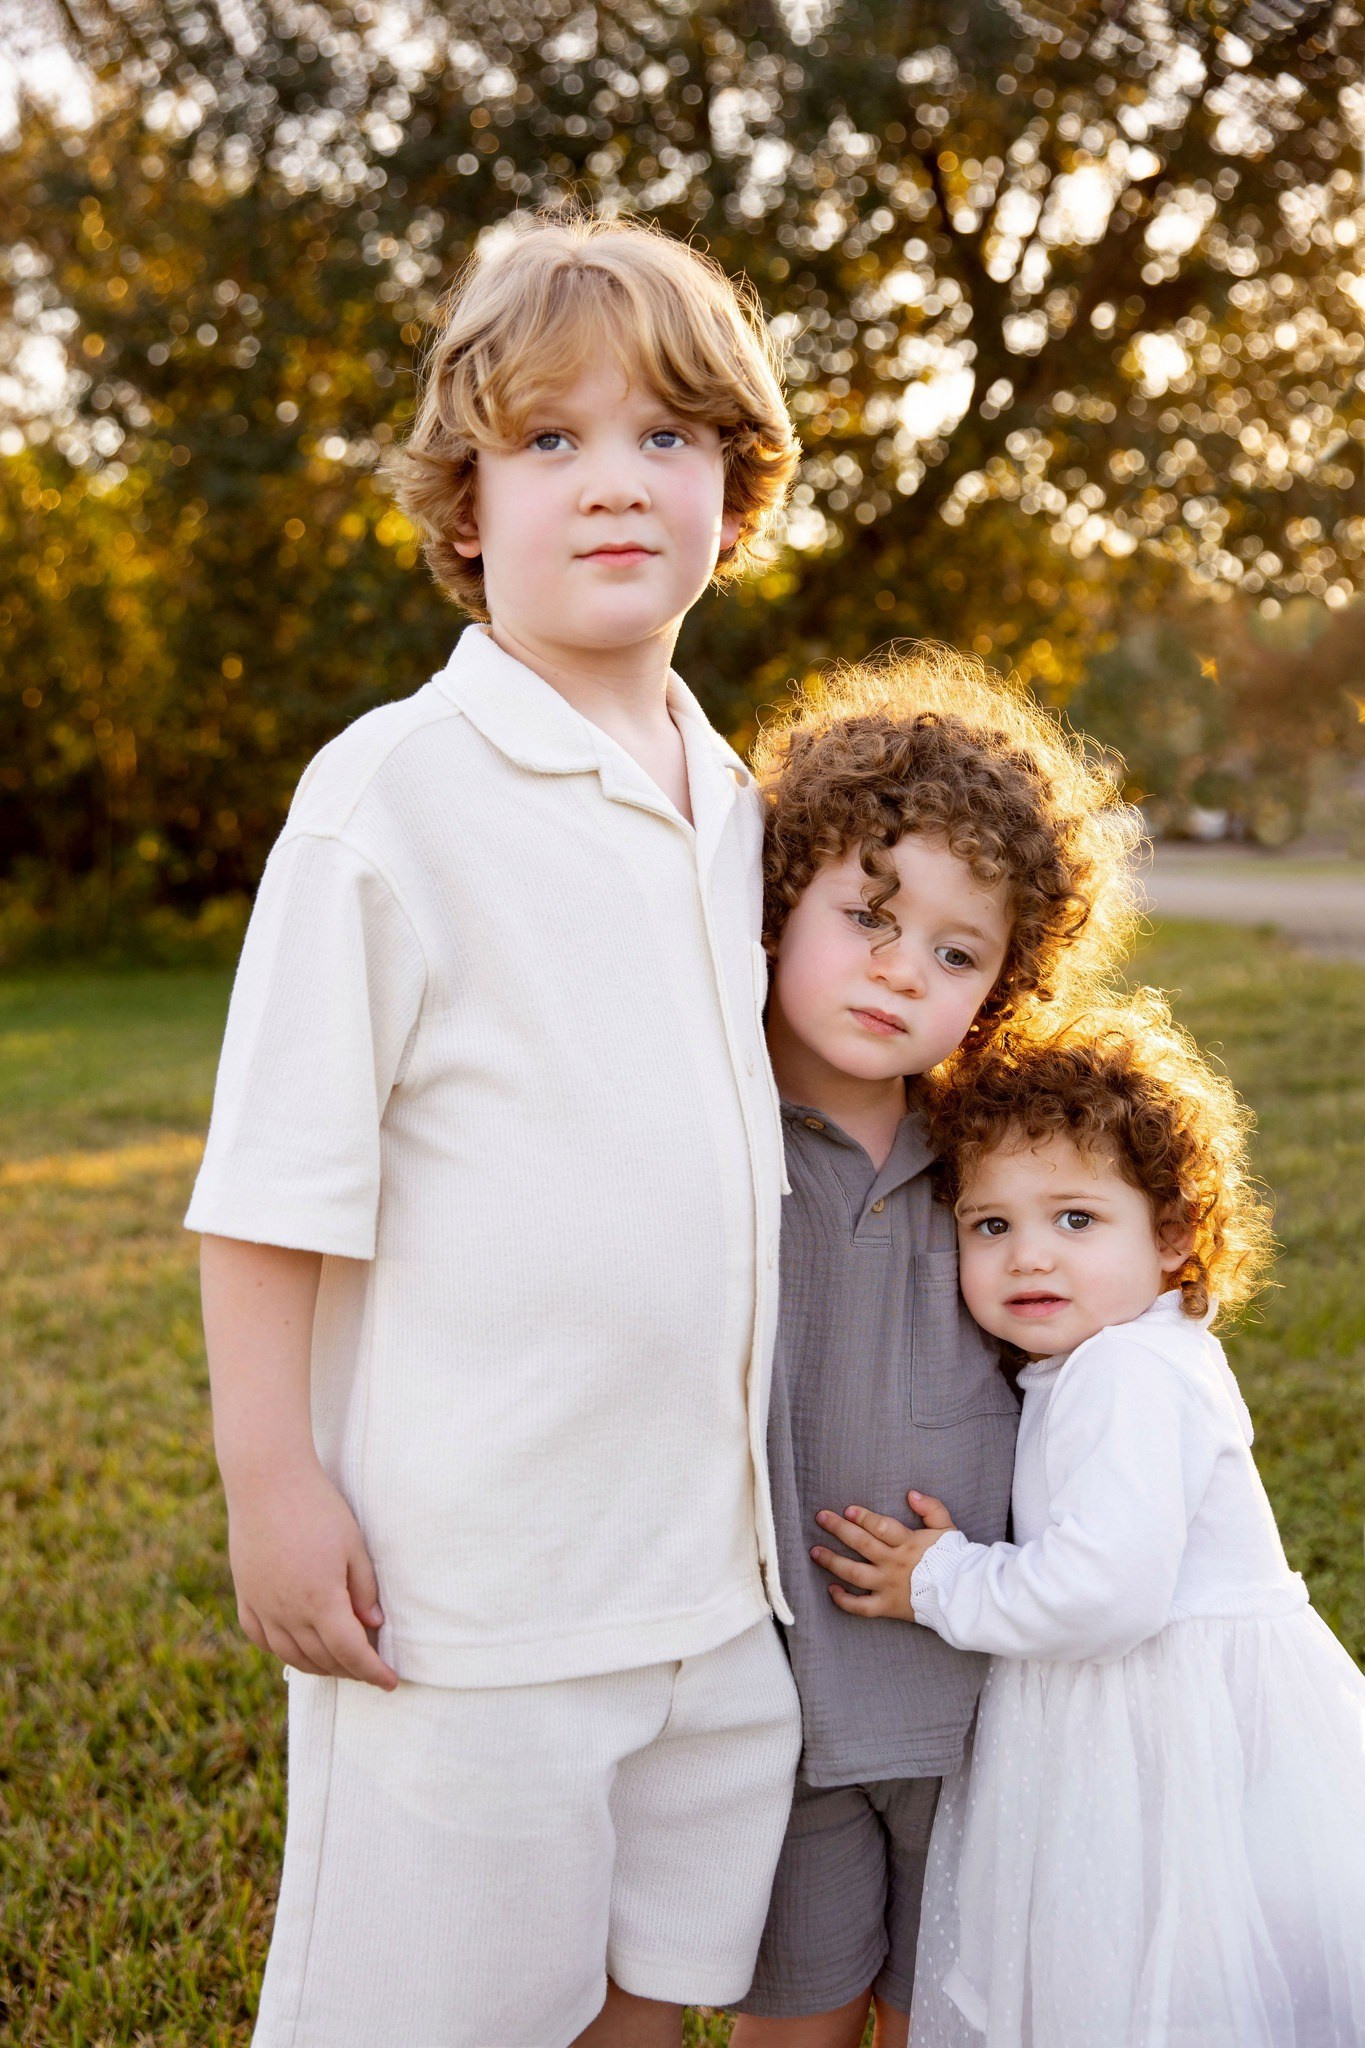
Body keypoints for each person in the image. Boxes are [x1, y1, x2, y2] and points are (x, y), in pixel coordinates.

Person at [185, 211, 806, 2048]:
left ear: (737, 495)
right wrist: (272, 1481)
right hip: (476, 1593)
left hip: (713, 1573)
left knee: (653, 1981)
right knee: (438, 2008)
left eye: (666, 437)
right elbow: (272, 1183)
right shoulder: (394, 789)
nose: (613, 482)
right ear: (464, 506)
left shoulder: (738, 799)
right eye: (551, 440)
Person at [813, 993, 1365, 2047]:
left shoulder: (1125, 1371)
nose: (1030, 1254)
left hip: (1164, 1728)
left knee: (1153, 1970)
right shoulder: (1112, 1358)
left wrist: (939, 1577)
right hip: (1148, 1719)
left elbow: (1103, 1593)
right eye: (991, 1223)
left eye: (1076, 1217)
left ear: (1170, 1236)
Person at [729, 650, 1140, 2048]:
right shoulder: (713, 1135)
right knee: (801, 2009)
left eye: (957, 954)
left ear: (1003, 984)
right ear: (781, 902)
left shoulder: (990, 1158)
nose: (903, 972)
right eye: (868, 918)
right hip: (780, 1709)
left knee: (944, 2011)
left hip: (978, 1704)